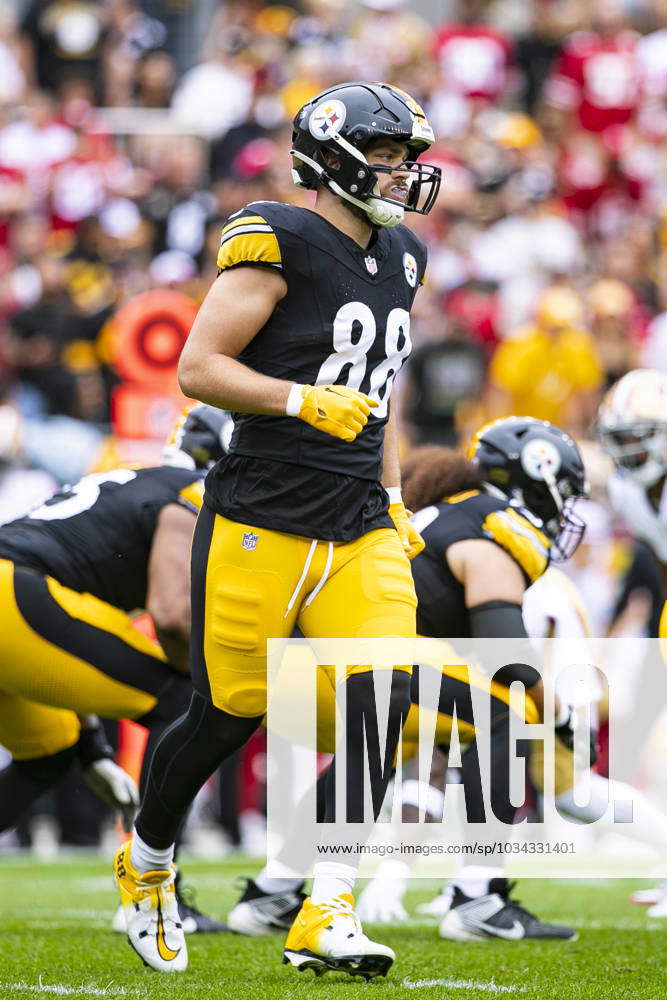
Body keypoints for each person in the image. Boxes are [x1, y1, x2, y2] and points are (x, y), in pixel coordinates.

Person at [112, 80, 441, 979]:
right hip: (261, 513)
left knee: (384, 701)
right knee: (227, 714)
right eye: (388, 154)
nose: (404, 172)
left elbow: (381, 393)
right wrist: (298, 397)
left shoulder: (404, 256)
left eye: (409, 156)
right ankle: (146, 864)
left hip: (359, 520)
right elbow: (198, 367)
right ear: (332, 158)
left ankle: (325, 909)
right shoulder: (279, 234)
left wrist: (397, 493)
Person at [230, 417, 589, 942]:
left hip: (304, 672)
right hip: (356, 671)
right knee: (512, 712)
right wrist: (558, 714)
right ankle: (477, 898)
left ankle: (272, 891)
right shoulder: (491, 525)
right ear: (538, 476)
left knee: (396, 737)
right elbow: (507, 654)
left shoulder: (439, 515)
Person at [0, 403, 230, 933]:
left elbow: (71, 639)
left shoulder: (129, 481)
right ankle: (151, 894)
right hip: (15, 595)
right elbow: (171, 616)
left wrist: (92, 746)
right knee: (179, 703)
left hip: (19, 599)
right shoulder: (191, 493)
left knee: (49, 752)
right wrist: (198, 684)